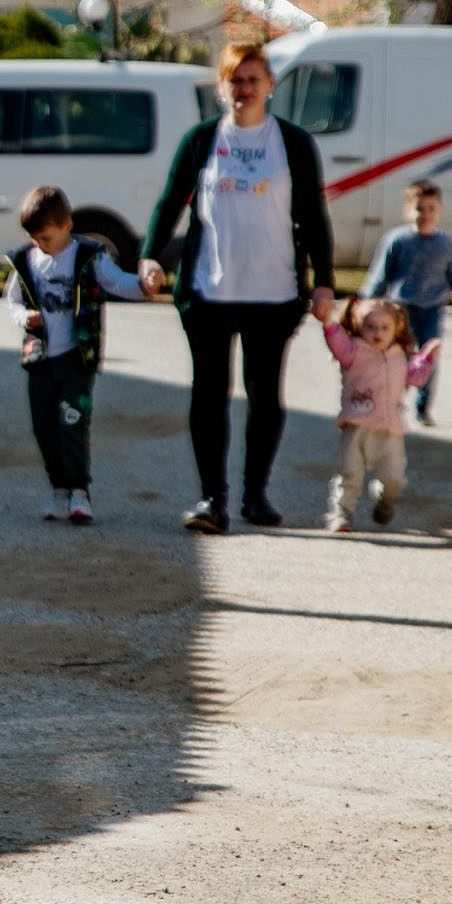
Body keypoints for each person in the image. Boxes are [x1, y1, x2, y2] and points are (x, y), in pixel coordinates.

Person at [139, 41, 336, 535]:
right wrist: (149, 254)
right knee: (209, 394)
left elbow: (313, 216)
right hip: (210, 292)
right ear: (221, 88)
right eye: (235, 80)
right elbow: (170, 203)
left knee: (264, 395)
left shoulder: (291, 143)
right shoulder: (201, 140)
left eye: (253, 79)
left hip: (274, 292)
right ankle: (213, 499)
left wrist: (326, 282)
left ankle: (255, 493)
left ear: (269, 86)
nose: (244, 89)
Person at [3, 185, 148, 525]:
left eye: (47, 238)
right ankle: (58, 490)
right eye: (35, 238)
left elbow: (116, 282)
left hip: (76, 357)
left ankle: (80, 493)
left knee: (73, 422)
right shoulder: (25, 260)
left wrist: (144, 284)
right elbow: (11, 299)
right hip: (40, 359)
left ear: (67, 226)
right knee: (44, 428)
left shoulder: (88, 257)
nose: (41, 244)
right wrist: (25, 318)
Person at [312, 294, 441, 531]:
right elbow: (338, 344)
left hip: (390, 429)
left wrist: (426, 359)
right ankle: (341, 515)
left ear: (397, 329)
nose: (377, 333)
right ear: (359, 326)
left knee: (395, 479)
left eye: (384, 327)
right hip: (357, 425)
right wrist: (328, 323)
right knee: (348, 474)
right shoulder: (354, 352)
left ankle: (385, 499)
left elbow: (415, 377)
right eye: (370, 327)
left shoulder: (399, 356)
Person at [361, 179, 452, 425]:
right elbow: (380, 276)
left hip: (433, 309)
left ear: (439, 210)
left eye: (430, 208)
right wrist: (366, 301)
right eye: (419, 208)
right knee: (399, 358)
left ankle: (423, 408)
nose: (424, 214)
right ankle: (394, 402)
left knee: (428, 358)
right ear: (407, 210)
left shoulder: (445, 243)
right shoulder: (397, 240)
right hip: (401, 309)